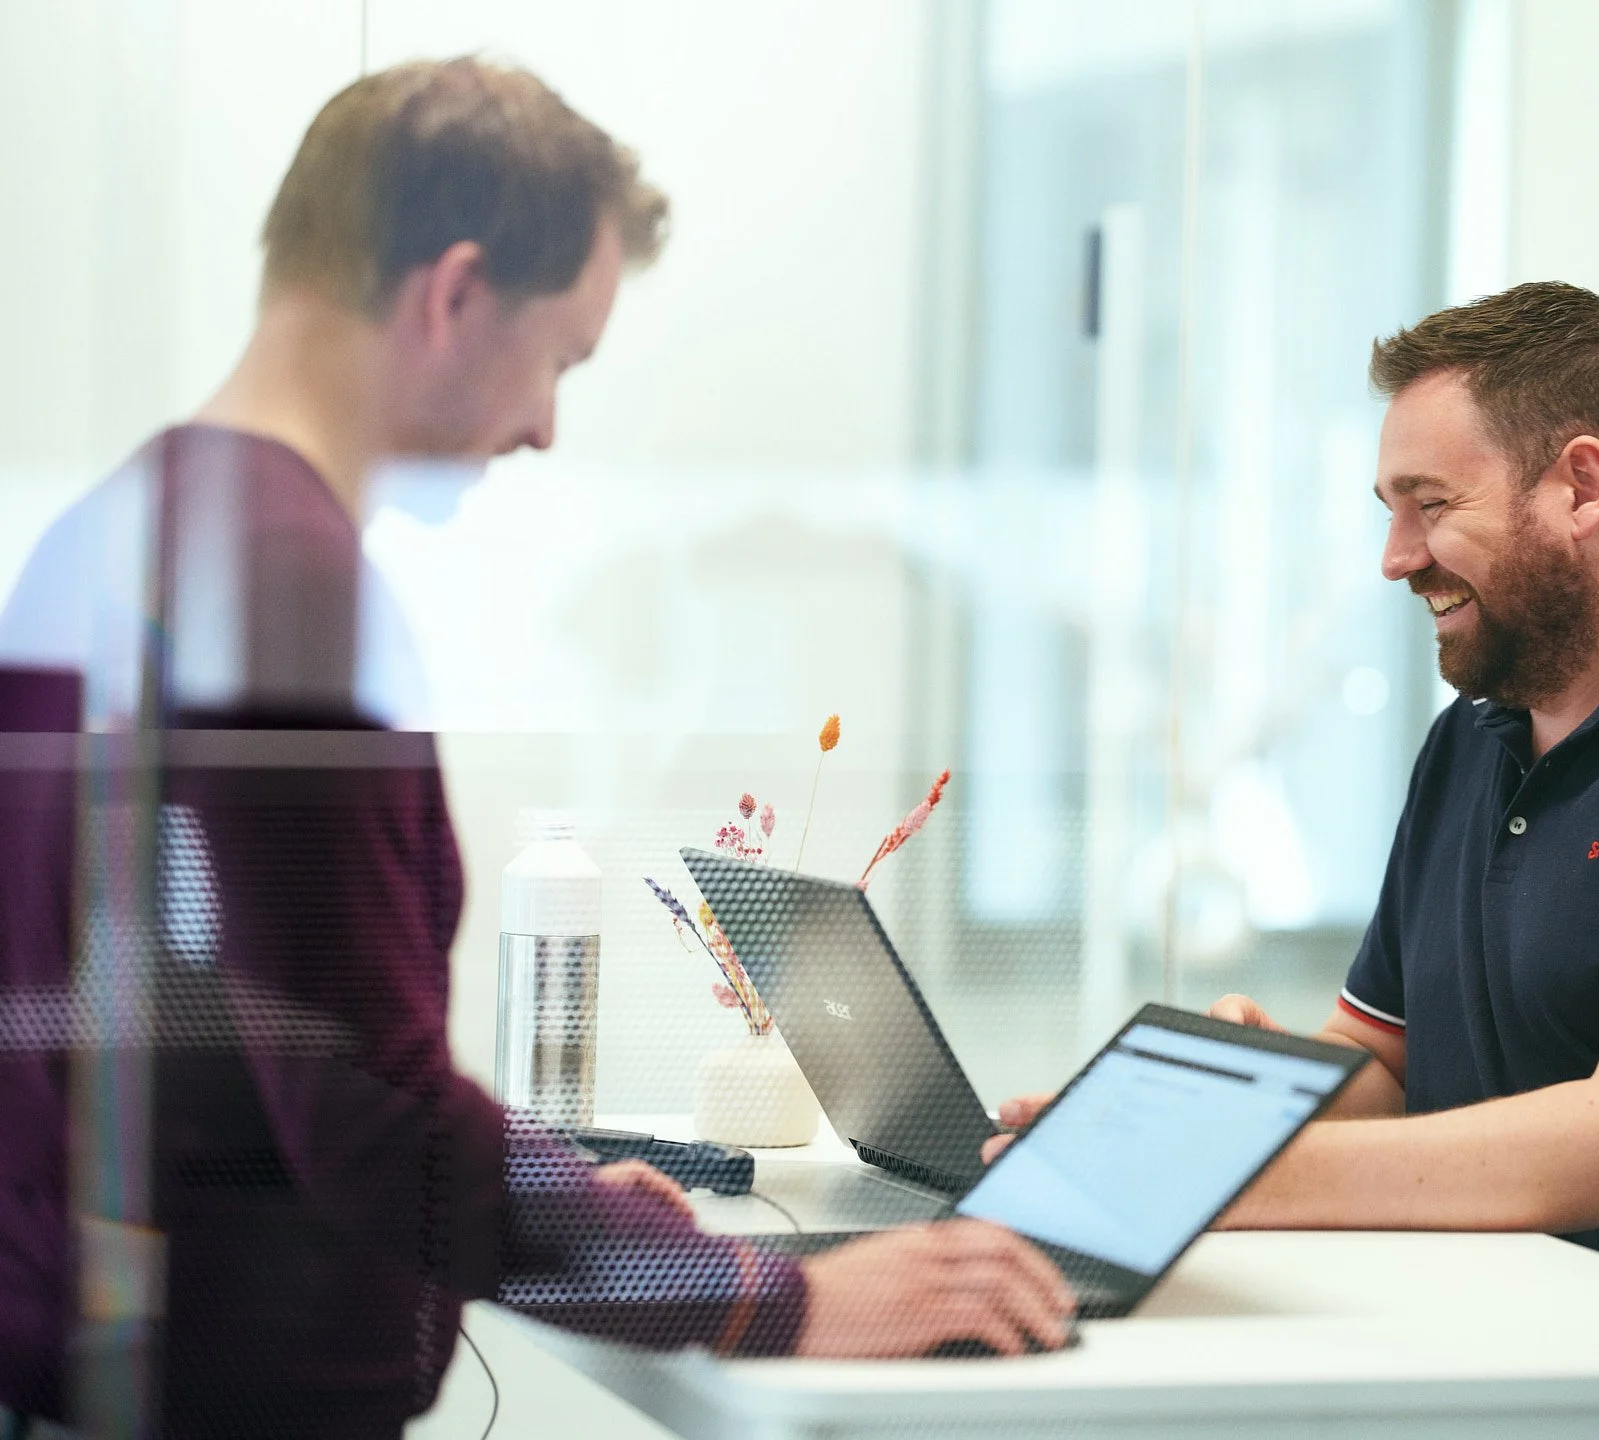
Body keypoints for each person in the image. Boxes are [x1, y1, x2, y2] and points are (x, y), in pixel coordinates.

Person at [0, 58, 1070, 1439]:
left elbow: (218, 1033)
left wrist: (558, 1193)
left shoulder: (109, 529)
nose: (547, 428)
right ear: (452, 295)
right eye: (561, 356)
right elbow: (364, 1112)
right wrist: (782, 1301)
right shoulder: (282, 584)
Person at [991, 282, 1599, 1437]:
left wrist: (1238, 1186)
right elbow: (1387, 1060)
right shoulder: (1476, 736)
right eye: (1390, 509)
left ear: (1584, 485)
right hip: (1519, 1353)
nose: (1394, 558)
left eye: (1428, 505)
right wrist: (1219, 1115)